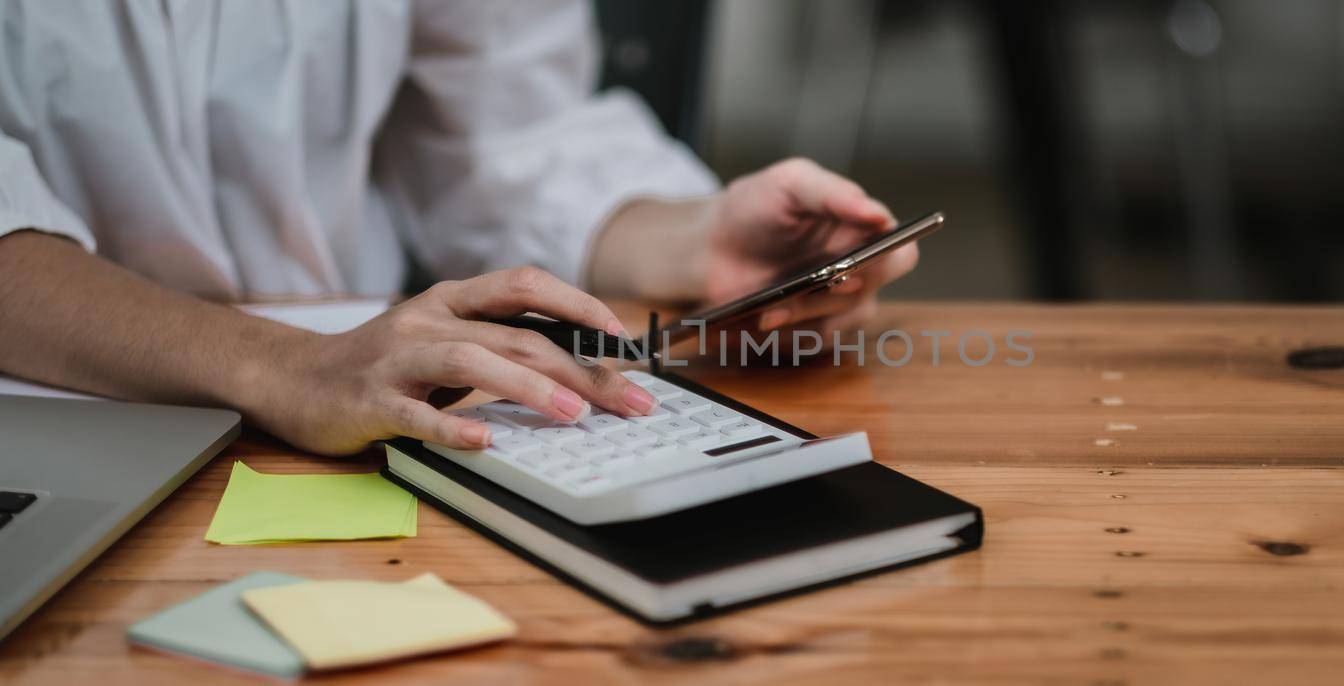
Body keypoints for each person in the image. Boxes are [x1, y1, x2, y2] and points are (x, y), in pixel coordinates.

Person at [0, 1, 916, 455]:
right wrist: (277, 364)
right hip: (56, 422)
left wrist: (696, 240)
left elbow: (498, 127)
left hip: (362, 414)